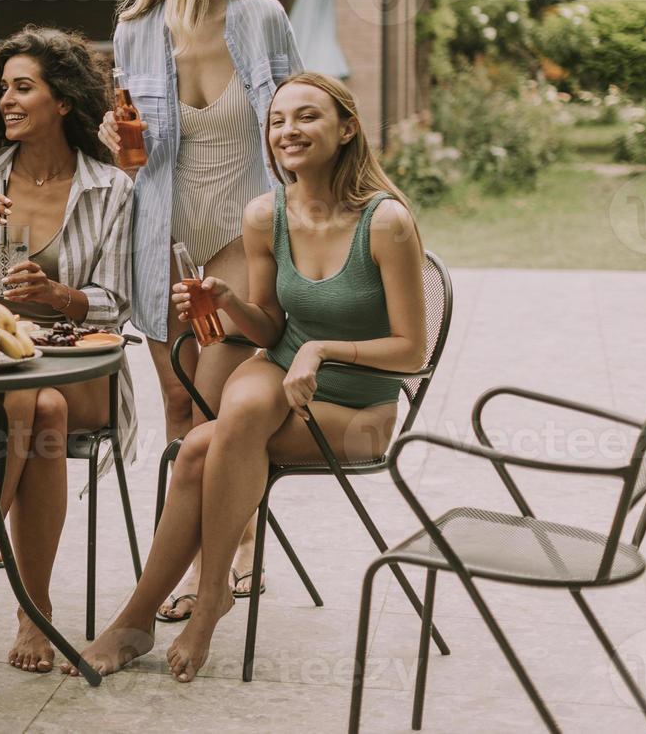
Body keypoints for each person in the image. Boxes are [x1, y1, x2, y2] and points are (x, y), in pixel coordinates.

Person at [68, 71, 426, 682]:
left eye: (307, 116)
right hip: (279, 373)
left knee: (197, 453)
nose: (288, 130)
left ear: (347, 129)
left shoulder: (386, 222)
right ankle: (178, 606)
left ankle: (182, 611)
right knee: (231, 422)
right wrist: (228, 300)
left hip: (358, 407)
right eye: (278, 119)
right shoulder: (266, 215)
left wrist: (320, 350)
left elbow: (411, 350)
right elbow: (268, 328)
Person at [98, 0, 304, 620]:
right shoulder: (133, 31)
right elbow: (134, 157)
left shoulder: (258, 18)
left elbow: (296, 124)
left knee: (224, 399)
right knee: (181, 404)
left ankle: (232, 556)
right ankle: (197, 560)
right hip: (160, 236)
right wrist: (114, 147)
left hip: (243, 233)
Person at [0, 27, 136, 673]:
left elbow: (117, 303)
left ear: (62, 100)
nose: (6, 99)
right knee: (39, 409)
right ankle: (31, 614)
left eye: (23, 87)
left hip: (77, 367)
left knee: (41, 398)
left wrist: (60, 295)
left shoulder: (109, 188)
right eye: (2, 88)